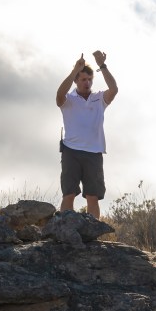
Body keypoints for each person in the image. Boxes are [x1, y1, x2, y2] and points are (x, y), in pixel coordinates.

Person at [55, 51, 118, 219]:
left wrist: (102, 66)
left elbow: (114, 89)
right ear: (76, 81)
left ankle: (92, 235)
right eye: (83, 79)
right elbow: (59, 96)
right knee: (69, 193)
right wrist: (75, 69)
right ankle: (65, 229)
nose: (87, 82)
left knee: (93, 196)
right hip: (71, 151)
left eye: (90, 79)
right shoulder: (68, 99)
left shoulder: (99, 99)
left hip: (94, 152)